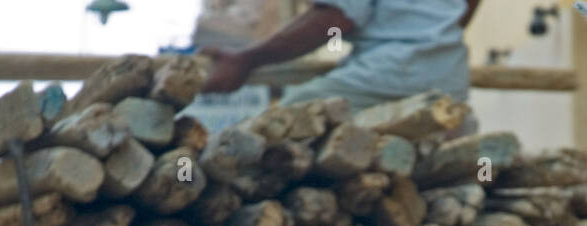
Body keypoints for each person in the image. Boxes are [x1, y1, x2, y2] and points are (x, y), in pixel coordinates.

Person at [201, 1, 480, 109]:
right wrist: (435, 36)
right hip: (449, 73)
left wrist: (247, 59)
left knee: (290, 116)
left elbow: (334, 20)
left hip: (397, 70)